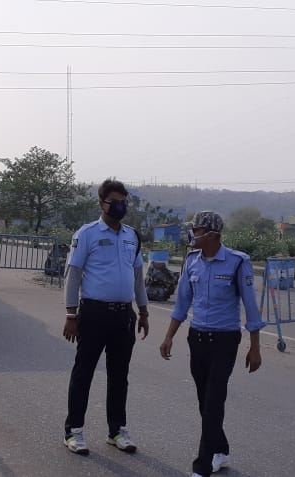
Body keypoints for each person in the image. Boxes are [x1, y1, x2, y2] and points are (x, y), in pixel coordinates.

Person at [159, 211, 264, 477]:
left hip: (225, 341)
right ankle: (221, 451)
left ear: (212, 234)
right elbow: (182, 303)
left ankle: (202, 467)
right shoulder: (192, 262)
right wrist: (169, 335)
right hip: (198, 339)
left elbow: (251, 308)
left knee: (214, 401)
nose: (192, 235)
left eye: (196, 230)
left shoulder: (238, 263)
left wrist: (255, 347)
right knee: (203, 401)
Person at [62, 179, 150, 456]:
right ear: (102, 203)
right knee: (84, 373)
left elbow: (137, 277)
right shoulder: (87, 233)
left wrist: (144, 311)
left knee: (119, 376)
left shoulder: (132, 236)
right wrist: (71, 313)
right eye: (115, 201)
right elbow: (73, 274)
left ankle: (116, 430)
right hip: (93, 314)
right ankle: (74, 432)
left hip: (123, 316)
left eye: (124, 201)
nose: (120, 206)